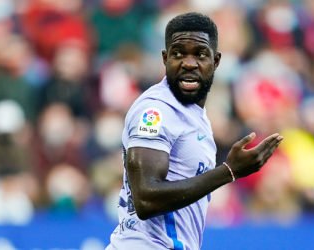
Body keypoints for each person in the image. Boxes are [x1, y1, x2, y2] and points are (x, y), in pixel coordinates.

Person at [106, 12, 283, 250]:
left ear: (216, 60)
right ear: (165, 58)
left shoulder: (194, 115)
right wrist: (228, 171)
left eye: (200, 54)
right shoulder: (156, 111)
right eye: (179, 53)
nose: (189, 63)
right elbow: (145, 199)